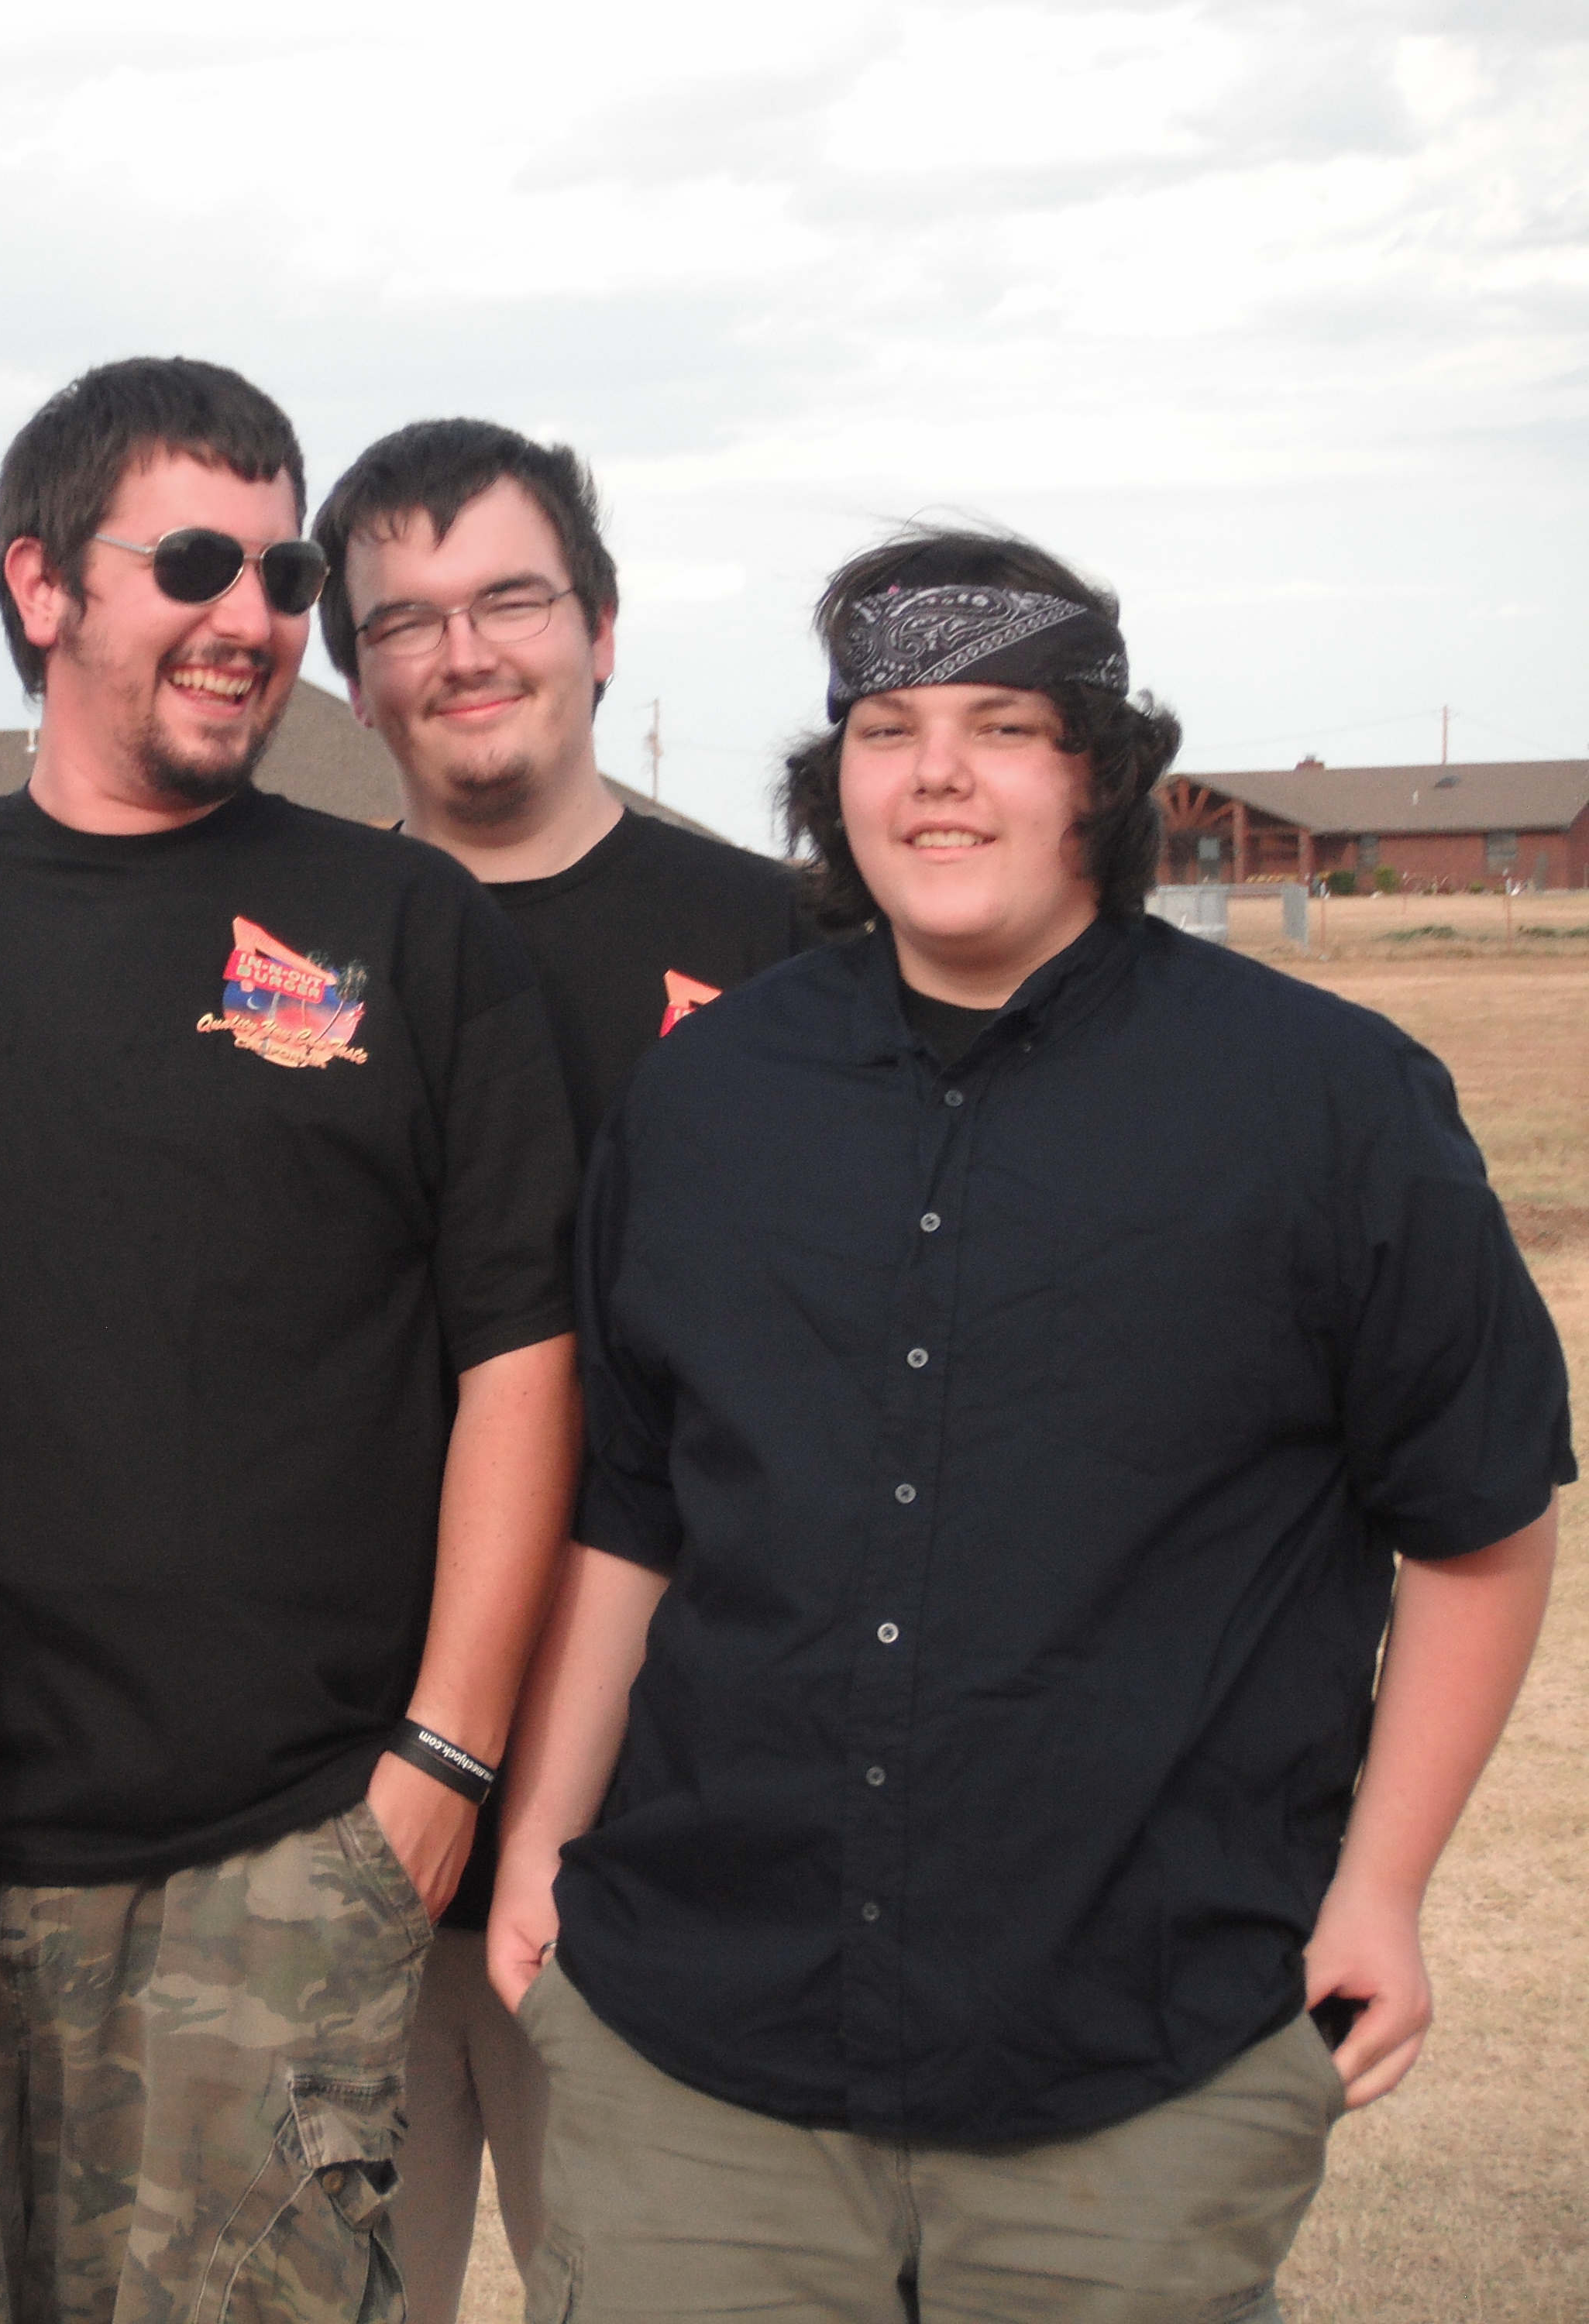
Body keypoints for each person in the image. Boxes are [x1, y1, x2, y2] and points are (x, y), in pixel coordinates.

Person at [488, 526, 1571, 2322]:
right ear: (834, 777)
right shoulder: (704, 1097)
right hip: (699, 2051)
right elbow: (636, 1506)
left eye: (1000, 726)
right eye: (887, 728)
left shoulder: (1327, 1106)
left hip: (1135, 2060)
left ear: (1098, 772)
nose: (936, 775)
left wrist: (1379, 1891)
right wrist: (541, 1833)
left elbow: (1477, 1522)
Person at [0, 358, 580, 2321]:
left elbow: (521, 1359)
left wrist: (439, 1767)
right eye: (193, 561)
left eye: (283, 573)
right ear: (39, 583)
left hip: (275, 1862)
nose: (250, 615)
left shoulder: (406, 924)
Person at [306, 418, 812, 2324]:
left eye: (509, 599)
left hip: (680, 1823)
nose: (463, 653)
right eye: (403, 620)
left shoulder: (784, 945)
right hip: (348, 1805)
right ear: (355, 679)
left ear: (600, 628)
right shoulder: (289, 946)